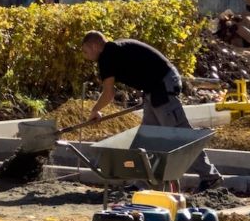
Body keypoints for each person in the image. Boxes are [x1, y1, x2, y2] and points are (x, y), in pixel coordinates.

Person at [80, 30, 222, 191]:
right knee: (147, 138)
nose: (86, 56)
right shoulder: (115, 49)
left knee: (179, 135)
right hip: (154, 89)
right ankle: (142, 184)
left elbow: (109, 93)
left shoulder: (107, 56)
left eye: (85, 51)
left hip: (161, 87)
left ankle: (211, 177)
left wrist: (95, 110)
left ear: (93, 46)